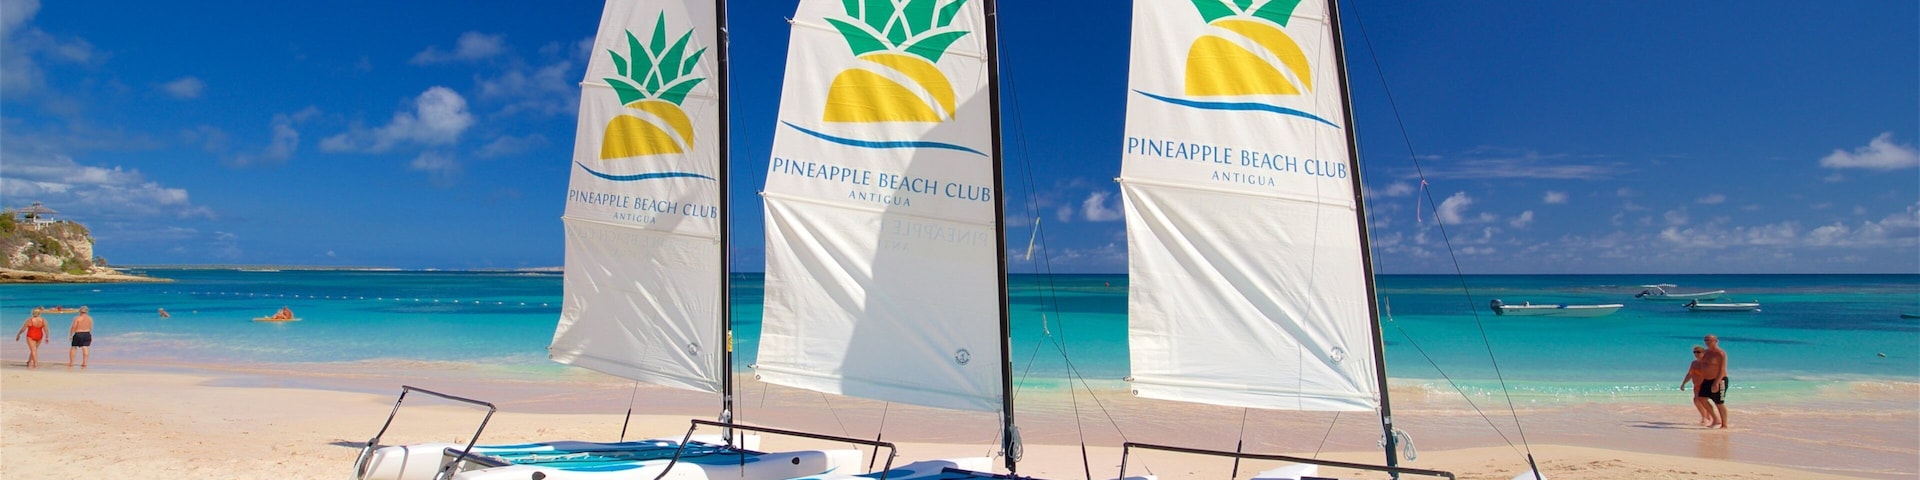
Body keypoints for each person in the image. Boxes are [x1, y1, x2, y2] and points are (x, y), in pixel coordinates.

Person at [1700, 334, 1730, 429]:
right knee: (1702, 398)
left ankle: (1724, 424)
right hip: (1706, 380)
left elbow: (1722, 369)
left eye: (1709, 340)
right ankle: (1715, 419)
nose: (1707, 342)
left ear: (1716, 341)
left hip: (1719, 380)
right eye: (1706, 340)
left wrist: (1716, 382)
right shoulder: (1706, 352)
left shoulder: (1720, 353)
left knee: (1719, 402)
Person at [1679, 345, 1714, 426]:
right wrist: (1683, 383)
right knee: (1698, 401)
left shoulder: (1707, 363)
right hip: (1696, 386)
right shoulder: (1694, 363)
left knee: (1699, 400)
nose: (1696, 353)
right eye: (1694, 352)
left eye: (1698, 352)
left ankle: (1708, 418)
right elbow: (1690, 374)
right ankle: (1705, 417)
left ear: (1703, 353)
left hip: (1705, 385)